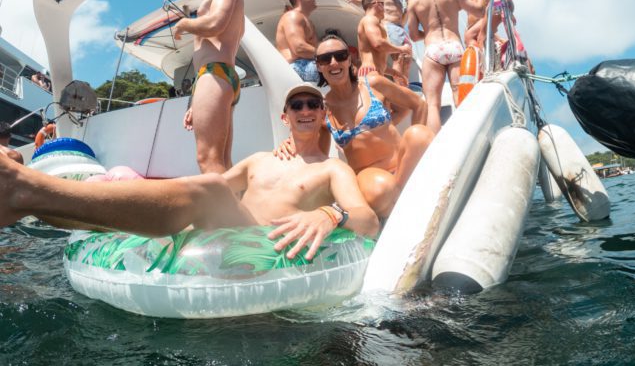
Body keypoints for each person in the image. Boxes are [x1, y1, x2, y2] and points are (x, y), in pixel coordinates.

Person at [0, 85, 379, 261]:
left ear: (322, 114)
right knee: (207, 189)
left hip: (268, 248)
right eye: (297, 104)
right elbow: (186, 191)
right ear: (286, 116)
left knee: (213, 190)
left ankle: (24, 191)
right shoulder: (261, 159)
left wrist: (329, 214)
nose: (306, 109)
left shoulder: (331, 169)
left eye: (314, 103)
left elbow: (367, 219)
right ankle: (43, 207)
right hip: (224, 236)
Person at [313, 34, 431, 218]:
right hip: (369, 181)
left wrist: (420, 157)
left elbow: (419, 104)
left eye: (340, 55)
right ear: (319, 66)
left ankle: (398, 194)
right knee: (382, 189)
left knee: (420, 134)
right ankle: (405, 195)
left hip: (403, 165)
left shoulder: (373, 83)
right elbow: (319, 158)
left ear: (349, 58)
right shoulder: (322, 109)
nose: (334, 62)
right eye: (325, 59)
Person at [173, 0, 245, 174]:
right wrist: (195, 101)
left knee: (208, 160)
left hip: (214, 74)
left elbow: (215, 24)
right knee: (222, 161)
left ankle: (219, 210)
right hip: (221, 75)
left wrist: (184, 24)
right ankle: (234, 208)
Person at [406, 0, 484, 135]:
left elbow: (412, 35)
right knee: (460, 95)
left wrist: (427, 34)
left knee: (433, 104)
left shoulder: (414, 2)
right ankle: (467, 135)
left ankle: (435, 145)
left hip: (433, 49)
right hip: (454, 46)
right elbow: (479, 11)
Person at [357, 0, 411, 82]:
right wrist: (401, 49)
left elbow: (377, 62)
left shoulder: (371, 21)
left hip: (371, 73)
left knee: (404, 94)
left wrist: (395, 73)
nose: (384, 9)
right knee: (409, 96)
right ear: (377, 3)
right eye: (383, 4)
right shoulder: (370, 19)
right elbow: (378, 44)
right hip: (371, 74)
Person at [275, 0, 319, 83]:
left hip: (307, 64)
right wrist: (327, 53)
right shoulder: (293, 16)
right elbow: (299, 48)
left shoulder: (308, 21)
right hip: (298, 66)